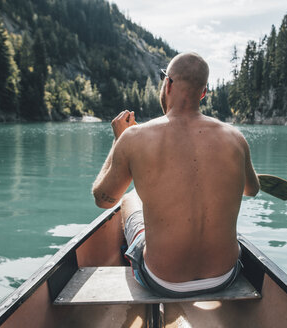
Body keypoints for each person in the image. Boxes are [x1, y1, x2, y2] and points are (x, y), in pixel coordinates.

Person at [92, 52, 260, 297]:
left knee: (130, 199)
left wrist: (119, 142)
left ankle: (132, 257)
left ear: (168, 84)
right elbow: (252, 190)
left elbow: (103, 200)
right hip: (224, 276)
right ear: (203, 94)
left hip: (163, 280)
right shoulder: (235, 138)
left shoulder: (133, 138)